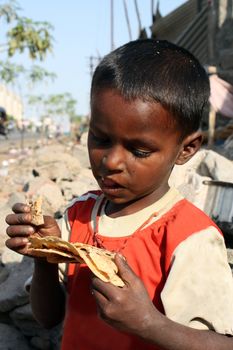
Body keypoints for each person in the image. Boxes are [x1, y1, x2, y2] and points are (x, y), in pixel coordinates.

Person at [5, 39, 233, 350]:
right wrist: (46, 257)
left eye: (139, 150)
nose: (110, 162)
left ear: (187, 149)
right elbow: (47, 317)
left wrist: (148, 323)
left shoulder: (189, 237)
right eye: (100, 138)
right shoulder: (79, 215)